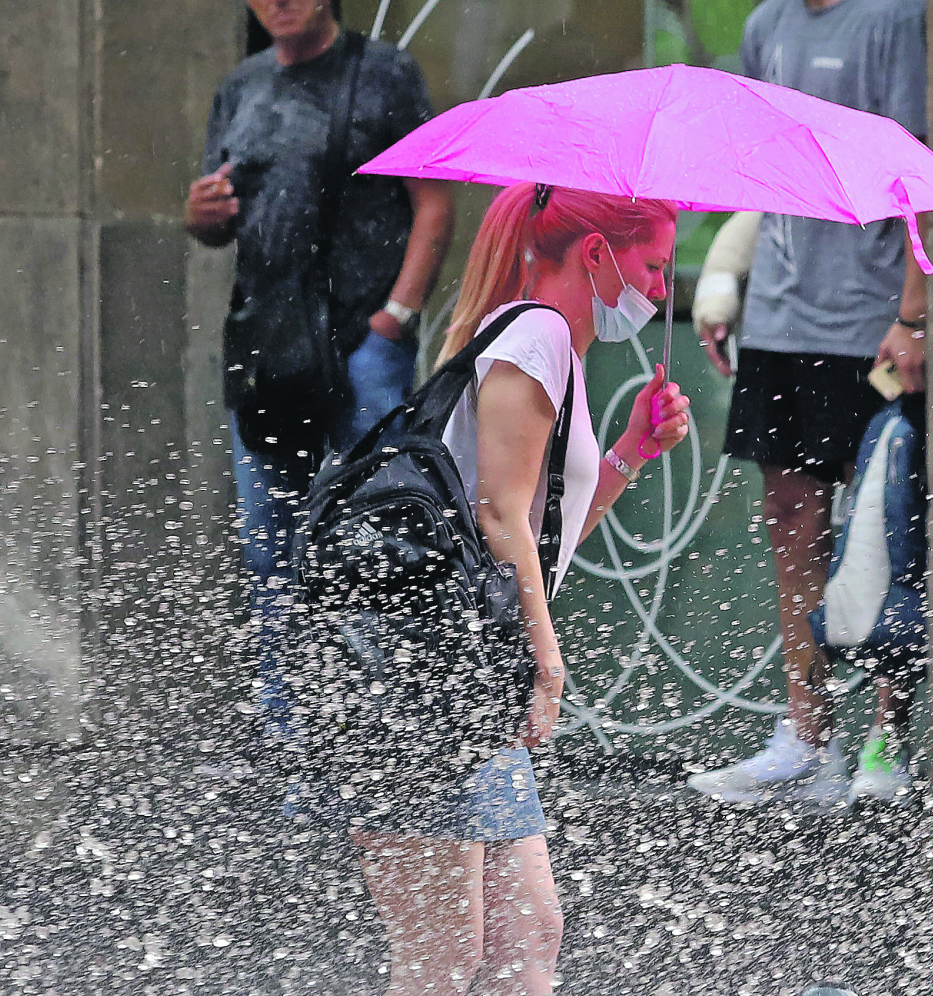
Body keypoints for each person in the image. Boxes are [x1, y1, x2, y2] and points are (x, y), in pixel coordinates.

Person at [351, 183, 689, 995]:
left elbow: (541, 527)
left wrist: (629, 453)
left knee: (525, 941)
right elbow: (499, 511)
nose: (657, 290)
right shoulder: (533, 336)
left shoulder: (549, 350)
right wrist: (545, 657)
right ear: (597, 254)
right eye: (652, 265)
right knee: (441, 959)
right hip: (425, 682)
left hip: (465, 684)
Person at [185, 0, 453, 745]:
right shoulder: (239, 86)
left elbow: (432, 203)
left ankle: (381, 743)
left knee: (375, 546)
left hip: (361, 347)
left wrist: (393, 318)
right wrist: (201, 214)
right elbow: (213, 222)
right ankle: (293, 747)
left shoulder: (383, 74)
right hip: (266, 351)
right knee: (271, 555)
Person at [687, 0, 930, 806]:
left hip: (869, 325)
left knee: (887, 532)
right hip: (781, 318)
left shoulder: (894, 18)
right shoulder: (765, 26)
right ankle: (804, 735)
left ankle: (884, 746)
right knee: (791, 517)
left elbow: (917, 174)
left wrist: (911, 316)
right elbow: (767, 175)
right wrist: (725, 279)